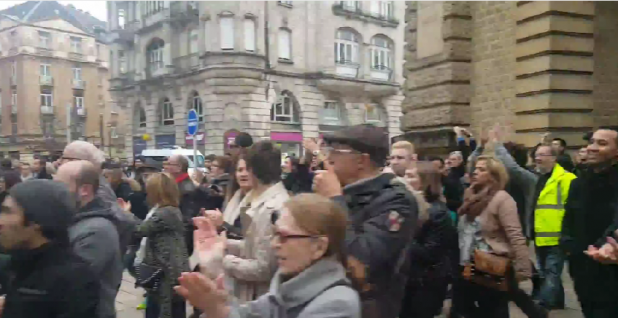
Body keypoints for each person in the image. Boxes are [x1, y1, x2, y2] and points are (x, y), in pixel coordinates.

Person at [176, 193, 361, 318]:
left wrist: (215, 306)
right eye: (274, 234)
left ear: (319, 247)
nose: (274, 244)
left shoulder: (337, 304)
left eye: (284, 237)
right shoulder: (286, 286)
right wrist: (216, 305)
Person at [313, 124, 418, 318]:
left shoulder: (396, 200)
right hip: (325, 301)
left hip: (367, 309)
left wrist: (335, 200)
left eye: (336, 151)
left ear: (362, 160)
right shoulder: (345, 193)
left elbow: (362, 258)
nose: (329, 158)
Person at [0, 180, 99, 318]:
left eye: (7, 212)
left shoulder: (74, 280)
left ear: (36, 221)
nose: (1, 222)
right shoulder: (17, 263)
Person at [210, 141, 289, 303]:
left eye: (246, 168)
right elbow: (254, 246)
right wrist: (225, 244)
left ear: (253, 170)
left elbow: (264, 268)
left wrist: (223, 258)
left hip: (262, 299)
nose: (243, 174)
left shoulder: (272, 208)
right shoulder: (260, 200)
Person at [453, 155, 530, 318]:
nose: (475, 172)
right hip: (466, 264)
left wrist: (523, 267)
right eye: (475, 168)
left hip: (490, 266)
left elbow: (515, 234)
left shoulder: (502, 199)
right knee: (462, 310)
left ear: (494, 175)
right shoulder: (470, 195)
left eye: (482, 169)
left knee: (494, 310)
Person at [561, 128, 618, 318]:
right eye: (592, 142)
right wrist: (568, 246)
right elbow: (568, 218)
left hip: (611, 265)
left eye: (602, 144)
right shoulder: (578, 183)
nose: (592, 148)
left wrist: (604, 246)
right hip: (583, 267)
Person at [55, 161, 122, 318]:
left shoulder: (96, 230)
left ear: (84, 189)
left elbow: (69, 283)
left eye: (60, 186)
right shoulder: (74, 220)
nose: (55, 192)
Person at [399, 162, 458, 318]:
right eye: (405, 175)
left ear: (425, 181)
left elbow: (430, 253)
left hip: (426, 282)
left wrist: (400, 234)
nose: (404, 179)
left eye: (410, 176)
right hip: (410, 279)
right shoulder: (409, 206)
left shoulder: (437, 212)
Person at [130, 172, 190, 318]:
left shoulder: (166, 212)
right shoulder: (164, 209)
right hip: (163, 270)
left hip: (167, 272)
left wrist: (125, 213)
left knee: (165, 311)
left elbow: (140, 230)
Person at [60, 141, 136, 255]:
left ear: (76, 160)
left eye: (64, 157)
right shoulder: (97, 185)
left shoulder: (98, 191)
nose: (59, 161)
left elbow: (119, 223)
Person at [164, 154, 198, 254]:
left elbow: (187, 219)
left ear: (179, 167)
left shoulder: (186, 189)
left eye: (169, 164)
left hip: (182, 240)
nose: (166, 167)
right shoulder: (177, 185)